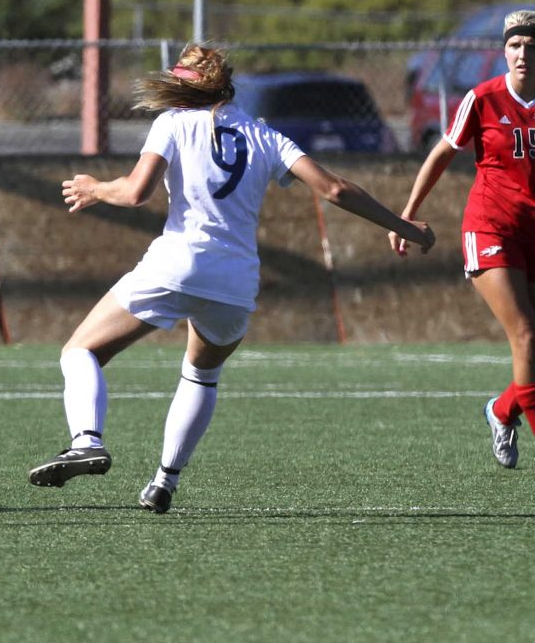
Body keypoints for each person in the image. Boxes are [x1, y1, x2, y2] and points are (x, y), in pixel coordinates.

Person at [27, 43, 435, 513]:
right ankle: (165, 481)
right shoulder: (265, 135)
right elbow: (335, 188)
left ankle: (86, 440)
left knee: (81, 350)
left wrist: (95, 188)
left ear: (184, 88)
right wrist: (404, 227)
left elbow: (136, 192)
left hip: (177, 264)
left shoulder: (173, 123)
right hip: (236, 282)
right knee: (202, 374)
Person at [391, 9, 535, 470]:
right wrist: (408, 214)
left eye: (531, 46)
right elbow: (441, 153)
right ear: (504, 50)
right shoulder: (483, 98)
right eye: (515, 45)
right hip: (491, 228)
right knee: (527, 337)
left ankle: (501, 410)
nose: (523, 54)